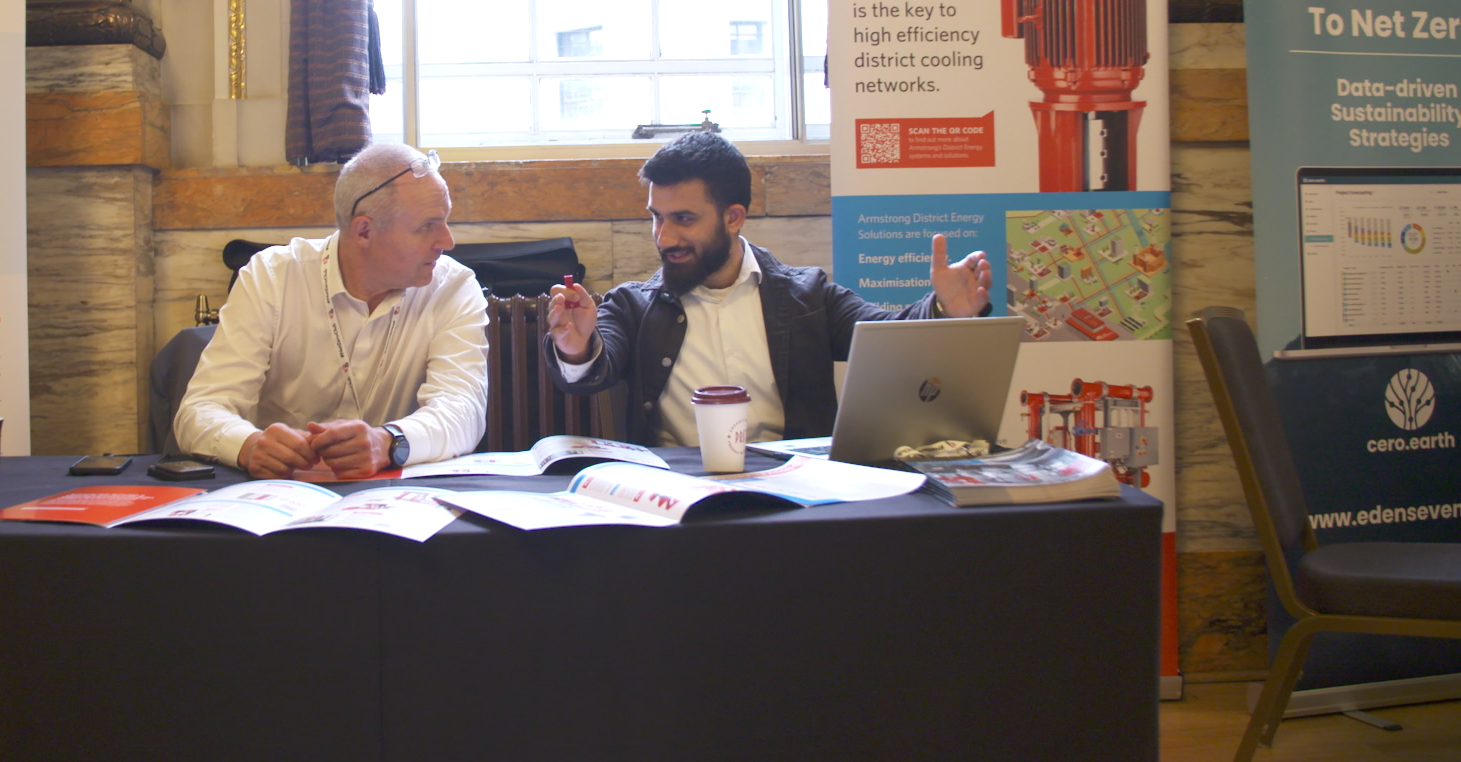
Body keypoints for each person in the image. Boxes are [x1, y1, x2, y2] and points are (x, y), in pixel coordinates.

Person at [543, 131, 992, 446]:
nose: (664, 237)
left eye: (684, 219)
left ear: (733, 217)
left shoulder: (808, 297)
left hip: (796, 502)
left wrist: (945, 309)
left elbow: (889, 338)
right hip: (678, 504)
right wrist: (576, 346)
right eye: (656, 217)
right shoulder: (632, 306)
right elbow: (591, 372)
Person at [174, 143, 488, 477]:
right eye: (428, 226)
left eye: (445, 221)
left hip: (391, 500)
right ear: (364, 231)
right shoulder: (272, 277)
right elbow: (200, 411)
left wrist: (388, 442)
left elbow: (463, 410)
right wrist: (248, 445)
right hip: (279, 496)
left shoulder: (453, 286)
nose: (447, 241)